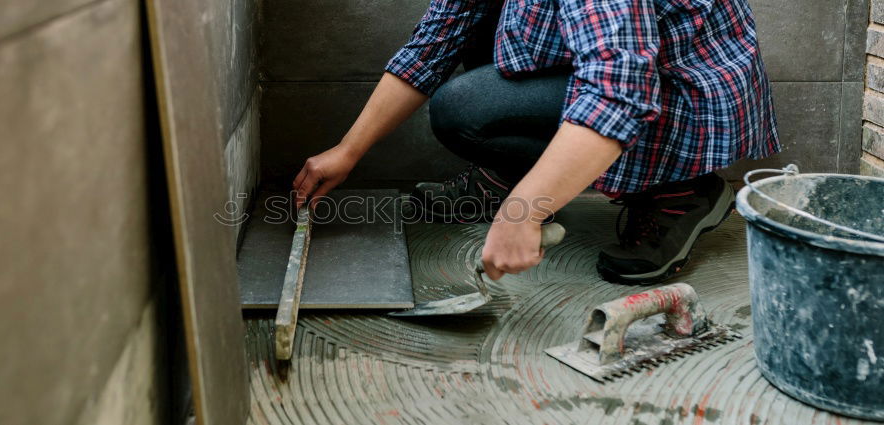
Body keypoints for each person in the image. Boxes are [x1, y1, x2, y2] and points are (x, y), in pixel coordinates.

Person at [292, 0, 779, 284]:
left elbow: (620, 89)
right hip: (613, 70)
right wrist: (348, 150)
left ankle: (680, 192)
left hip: (679, 99)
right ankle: (511, 175)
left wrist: (523, 212)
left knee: (463, 109)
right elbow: (438, 38)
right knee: (477, 28)